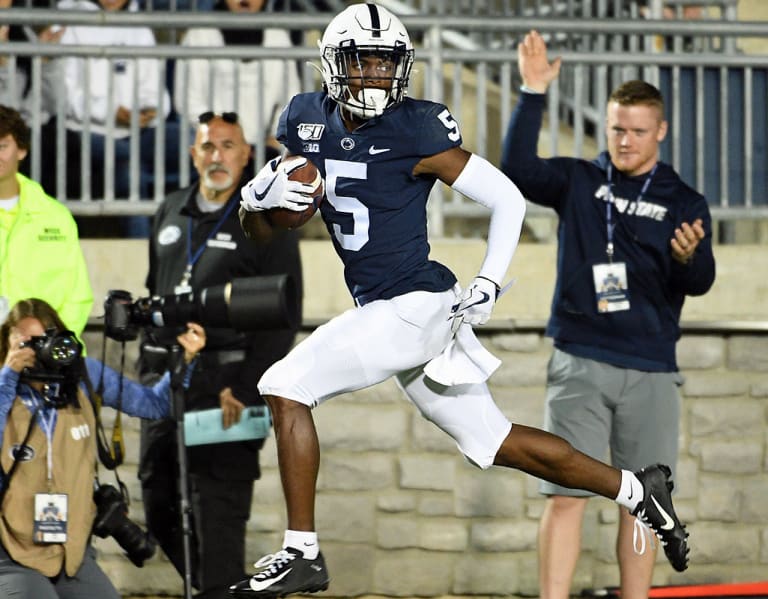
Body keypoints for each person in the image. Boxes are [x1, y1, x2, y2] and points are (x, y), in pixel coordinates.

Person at [229, 5, 690, 598]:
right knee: (494, 441)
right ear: (332, 64)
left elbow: (508, 200)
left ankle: (302, 553)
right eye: (361, 63)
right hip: (388, 307)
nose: (372, 76)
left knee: (285, 384)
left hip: (415, 305)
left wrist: (490, 280)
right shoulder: (303, 119)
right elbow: (268, 229)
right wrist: (257, 198)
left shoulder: (416, 129)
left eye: (383, 64)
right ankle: (638, 490)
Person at [500, 30, 715, 599]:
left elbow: (702, 282)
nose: (625, 140)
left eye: (638, 131)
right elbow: (517, 167)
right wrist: (533, 91)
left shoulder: (684, 201)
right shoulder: (580, 178)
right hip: (579, 359)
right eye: (617, 128)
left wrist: (688, 258)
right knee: (564, 493)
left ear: (661, 131)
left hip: (649, 367)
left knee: (644, 500)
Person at [138, 111, 302, 599]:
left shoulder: (265, 222)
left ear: (247, 155)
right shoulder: (170, 211)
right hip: (167, 386)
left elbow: (283, 318)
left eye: (228, 146)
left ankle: (217, 589)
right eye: (207, 147)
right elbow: (158, 290)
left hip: (229, 389)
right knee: (158, 503)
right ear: (193, 155)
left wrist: (246, 387)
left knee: (219, 520)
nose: (217, 157)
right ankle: (214, 591)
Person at [0, 297, 205, 598]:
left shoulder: (82, 375)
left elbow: (155, 405)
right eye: (26, 343)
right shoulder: (5, 382)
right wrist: (8, 375)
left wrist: (184, 361)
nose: (38, 351)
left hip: (71, 552)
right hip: (10, 551)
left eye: (45, 340)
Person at [58, 0, 175, 199]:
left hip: (141, 131)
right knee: (129, 167)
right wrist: (111, 112)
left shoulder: (140, 27)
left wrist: (151, 110)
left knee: (195, 144)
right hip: (87, 132)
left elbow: (154, 89)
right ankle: (141, 231)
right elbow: (64, 96)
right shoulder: (67, 21)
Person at [0, 105, 93, 335]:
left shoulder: (56, 216)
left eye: (2, 146)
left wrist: (53, 349)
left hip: (46, 360)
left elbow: (77, 296)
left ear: (21, 150)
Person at [174, 0, 301, 168]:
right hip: (213, 143)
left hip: (267, 148)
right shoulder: (200, 34)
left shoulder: (278, 36)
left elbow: (290, 98)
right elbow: (189, 101)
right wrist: (223, 138)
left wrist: (275, 139)